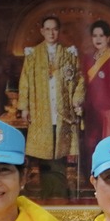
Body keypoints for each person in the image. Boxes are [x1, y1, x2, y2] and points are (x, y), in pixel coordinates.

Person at [18, 14, 80, 179]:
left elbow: (79, 79)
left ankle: (60, 188)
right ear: (42, 31)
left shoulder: (68, 54)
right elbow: (25, 81)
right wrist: (24, 107)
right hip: (41, 109)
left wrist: (76, 101)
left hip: (62, 110)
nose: (51, 33)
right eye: (47, 29)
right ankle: (47, 188)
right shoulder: (33, 55)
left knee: (60, 148)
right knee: (44, 150)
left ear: (59, 31)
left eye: (54, 29)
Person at [79, 19, 110, 169]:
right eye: (95, 36)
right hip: (91, 110)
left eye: (101, 35)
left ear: (108, 37)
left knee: (109, 145)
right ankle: (94, 175)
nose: (98, 39)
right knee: (91, 145)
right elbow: (84, 85)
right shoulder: (88, 59)